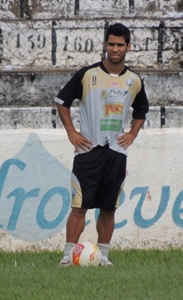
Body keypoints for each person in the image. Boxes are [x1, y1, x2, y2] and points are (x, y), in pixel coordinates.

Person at [55, 23, 149, 267]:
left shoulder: (134, 80)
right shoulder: (87, 75)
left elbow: (141, 111)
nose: (115, 49)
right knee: (79, 206)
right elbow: (61, 102)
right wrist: (72, 133)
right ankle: (67, 257)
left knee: (109, 208)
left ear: (128, 46)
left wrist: (132, 135)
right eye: (111, 44)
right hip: (88, 150)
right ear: (105, 45)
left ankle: (103, 257)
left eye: (120, 45)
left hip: (116, 153)